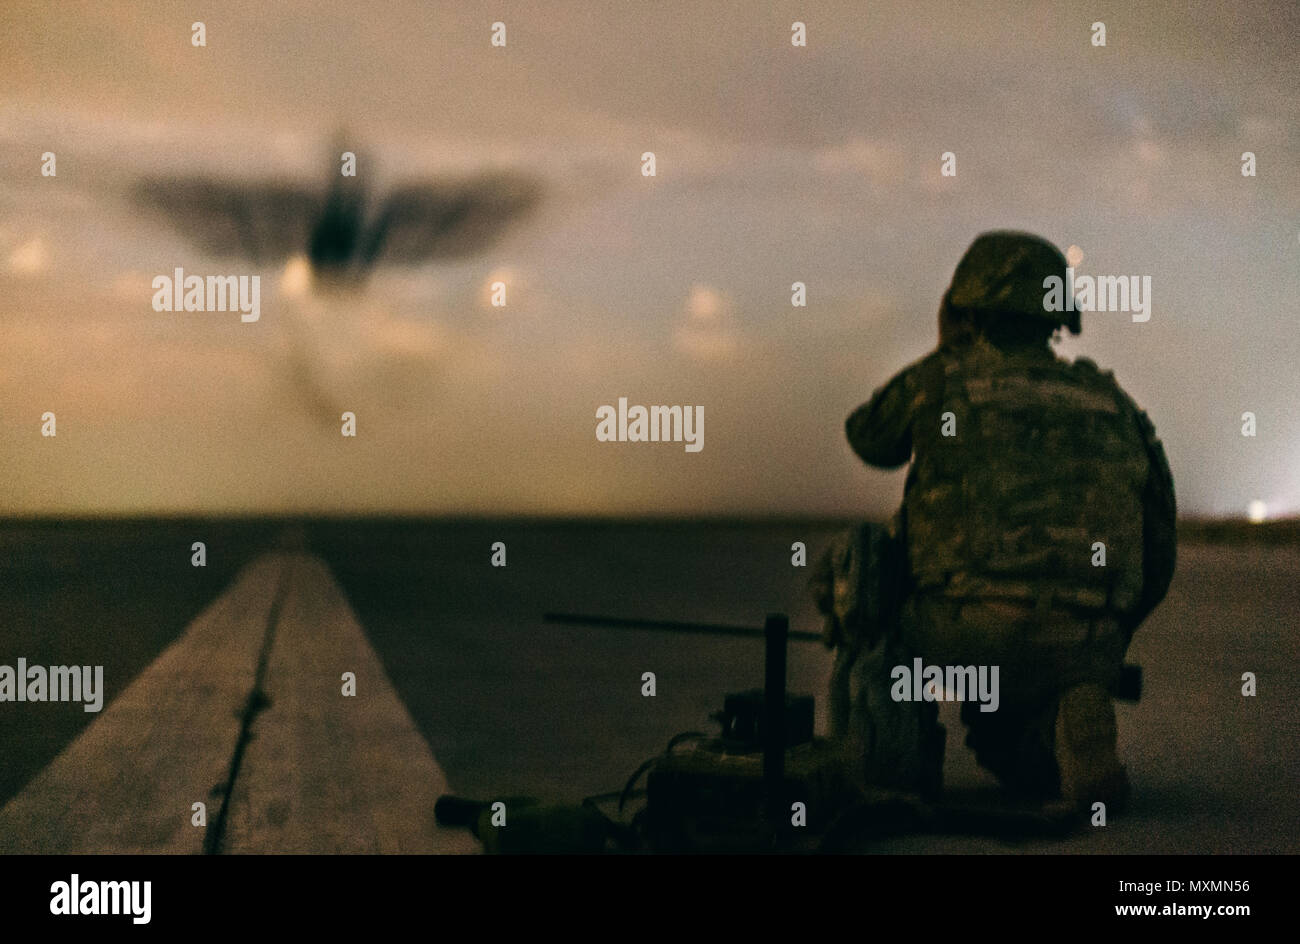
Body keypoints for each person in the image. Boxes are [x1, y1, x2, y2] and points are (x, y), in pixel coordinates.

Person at [817, 231, 1176, 813]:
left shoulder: (941, 383)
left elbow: (867, 436)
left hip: (957, 638)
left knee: (858, 561)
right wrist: (1106, 633)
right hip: (1082, 641)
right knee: (1033, 725)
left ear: (967, 307)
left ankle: (893, 753)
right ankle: (1070, 708)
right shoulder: (1114, 404)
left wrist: (945, 348)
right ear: (1058, 313)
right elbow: (1160, 547)